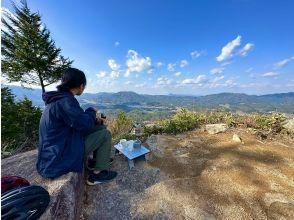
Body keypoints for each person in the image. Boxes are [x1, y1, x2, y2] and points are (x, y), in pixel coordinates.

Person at [36, 68, 117, 185]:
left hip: (60, 146)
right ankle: (97, 175)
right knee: (105, 135)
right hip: (59, 157)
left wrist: (95, 120)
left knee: (100, 127)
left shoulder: (59, 99)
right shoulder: (65, 101)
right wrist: (91, 110)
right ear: (81, 85)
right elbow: (83, 123)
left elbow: (76, 121)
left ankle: (96, 161)